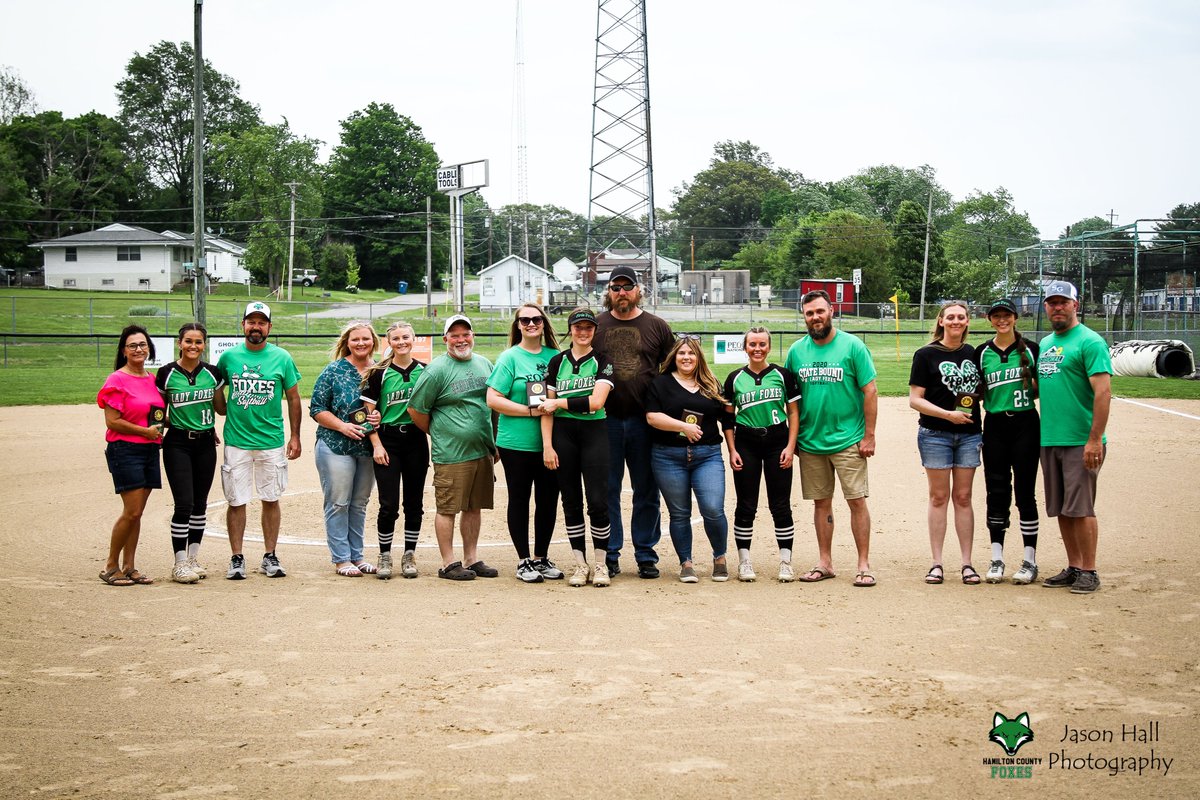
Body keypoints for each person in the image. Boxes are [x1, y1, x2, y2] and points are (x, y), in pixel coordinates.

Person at [783, 290, 877, 588]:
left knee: (856, 501)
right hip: (811, 442)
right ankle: (825, 562)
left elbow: (870, 391)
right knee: (821, 504)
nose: (815, 317)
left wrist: (869, 436)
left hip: (849, 439)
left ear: (831, 311)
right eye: (809, 313)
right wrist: (793, 437)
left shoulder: (852, 346)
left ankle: (863, 564)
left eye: (820, 311)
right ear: (804, 316)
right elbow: (791, 399)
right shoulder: (796, 351)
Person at [593, 264, 674, 579]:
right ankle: (610, 553)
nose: (621, 292)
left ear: (638, 290)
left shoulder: (656, 326)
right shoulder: (595, 326)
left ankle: (645, 553)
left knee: (646, 489)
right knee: (608, 489)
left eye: (627, 287)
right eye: (616, 287)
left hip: (645, 421)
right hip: (605, 420)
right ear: (609, 292)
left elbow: (672, 371)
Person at [407, 314, 499, 581]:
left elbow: (493, 404)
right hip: (451, 453)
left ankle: (471, 558)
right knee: (448, 507)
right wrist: (439, 431)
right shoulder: (436, 370)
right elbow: (416, 409)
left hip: (482, 449)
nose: (461, 340)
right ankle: (448, 562)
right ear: (445, 338)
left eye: (466, 334)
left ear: (473, 336)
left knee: (474, 507)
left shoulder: (484, 364)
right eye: (455, 335)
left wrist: (495, 442)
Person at [1036, 281, 1112, 594]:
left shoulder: (1090, 342)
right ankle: (1074, 566)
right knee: (1062, 508)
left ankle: (1090, 570)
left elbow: (1103, 392)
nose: (1057, 307)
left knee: (1081, 508)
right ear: (1046, 307)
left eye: (1063, 302)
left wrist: (1094, 439)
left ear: (1075, 305)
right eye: (1052, 303)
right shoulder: (1045, 344)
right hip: (1051, 438)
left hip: (1081, 440)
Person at [216, 301, 302, 580]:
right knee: (236, 500)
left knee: (271, 498)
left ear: (269, 327)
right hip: (237, 441)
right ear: (243, 325)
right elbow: (217, 401)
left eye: (261, 322)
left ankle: (269, 555)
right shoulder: (228, 358)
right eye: (251, 321)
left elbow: (293, 398)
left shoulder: (282, 358)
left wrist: (295, 436)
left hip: (271, 440)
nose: (256, 327)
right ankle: (237, 557)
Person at [486, 304, 564, 583]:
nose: (531, 324)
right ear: (518, 325)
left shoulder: (556, 357)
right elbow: (493, 399)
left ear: (544, 323)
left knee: (547, 501)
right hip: (515, 442)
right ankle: (524, 561)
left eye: (536, 319)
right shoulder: (510, 357)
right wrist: (530, 411)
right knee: (519, 499)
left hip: (550, 443)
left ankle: (541, 558)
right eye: (525, 320)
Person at [645, 335, 732, 583]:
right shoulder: (660, 383)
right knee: (680, 512)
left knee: (713, 509)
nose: (686, 357)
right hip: (668, 456)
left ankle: (720, 558)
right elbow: (652, 417)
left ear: (698, 357)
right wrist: (683, 426)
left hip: (707, 455)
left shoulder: (711, 383)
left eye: (691, 353)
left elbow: (726, 417)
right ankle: (686, 562)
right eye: (682, 353)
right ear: (674, 356)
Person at [539, 307, 615, 587]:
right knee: (570, 501)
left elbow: (596, 403)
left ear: (595, 331)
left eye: (589, 327)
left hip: (594, 431)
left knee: (597, 501)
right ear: (570, 329)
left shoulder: (603, 361)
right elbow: (544, 409)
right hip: (563, 434)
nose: (583, 332)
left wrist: (558, 403)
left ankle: (601, 563)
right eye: (578, 327)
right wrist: (547, 445)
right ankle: (580, 564)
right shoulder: (557, 362)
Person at [909, 301, 983, 586]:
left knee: (963, 498)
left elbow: (981, 392)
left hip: (969, 434)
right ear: (941, 321)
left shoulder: (974, 353)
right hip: (935, 434)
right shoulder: (926, 354)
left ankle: (967, 563)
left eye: (960, 317)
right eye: (950, 317)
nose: (955, 321)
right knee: (939, 497)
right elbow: (915, 399)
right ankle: (937, 562)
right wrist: (947, 415)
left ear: (967, 322)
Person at [722, 326, 801, 582]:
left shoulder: (782, 375)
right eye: (752, 344)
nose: (757, 349)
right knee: (746, 504)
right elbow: (727, 419)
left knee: (780, 504)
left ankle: (786, 560)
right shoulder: (734, 378)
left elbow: (793, 413)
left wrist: (790, 447)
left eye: (762, 344)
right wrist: (732, 449)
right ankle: (744, 561)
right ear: (745, 347)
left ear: (769, 346)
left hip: (777, 440)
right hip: (746, 442)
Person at [972, 298, 1041, 585]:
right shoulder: (982, 352)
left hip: (1025, 423)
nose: (1002, 320)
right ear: (990, 320)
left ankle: (1029, 560)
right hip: (996, 425)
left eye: (1007, 315)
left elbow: (1041, 389)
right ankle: (997, 557)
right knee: (996, 491)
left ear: (1015, 317)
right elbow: (973, 394)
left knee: (1025, 492)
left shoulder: (1032, 350)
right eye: (996, 316)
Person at [156, 322, 225, 584]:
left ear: (204, 345)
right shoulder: (166, 373)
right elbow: (159, 413)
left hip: (206, 442)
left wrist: (221, 392)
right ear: (179, 343)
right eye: (188, 341)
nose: (193, 346)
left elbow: (220, 410)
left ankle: (194, 558)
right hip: (178, 443)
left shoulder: (212, 373)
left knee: (200, 504)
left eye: (198, 342)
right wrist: (164, 428)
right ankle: (180, 563)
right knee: (184, 502)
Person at [310, 321, 381, 577]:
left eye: (365, 338)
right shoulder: (334, 370)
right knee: (339, 502)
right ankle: (341, 559)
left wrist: (379, 417)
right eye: (355, 339)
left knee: (359, 503)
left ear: (373, 340)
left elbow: (386, 405)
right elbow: (317, 408)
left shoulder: (380, 370)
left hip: (367, 447)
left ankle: (357, 555)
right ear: (347, 343)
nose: (361, 343)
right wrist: (342, 426)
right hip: (335, 444)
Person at [97, 325, 165, 586]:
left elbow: (156, 417)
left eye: (143, 344)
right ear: (124, 351)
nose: (139, 349)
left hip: (149, 449)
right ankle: (110, 566)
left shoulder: (152, 378)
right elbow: (112, 421)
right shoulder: (117, 379)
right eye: (133, 345)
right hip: (125, 449)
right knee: (132, 511)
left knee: (137, 513)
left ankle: (129, 566)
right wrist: (145, 432)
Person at [362, 321, 428, 580]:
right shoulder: (379, 372)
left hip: (415, 440)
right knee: (388, 504)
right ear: (388, 342)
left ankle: (409, 553)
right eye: (395, 338)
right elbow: (367, 414)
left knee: (414, 503)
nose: (401, 342)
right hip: (388, 441)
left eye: (405, 337)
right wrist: (376, 444)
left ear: (414, 339)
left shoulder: (425, 371)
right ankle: (385, 554)